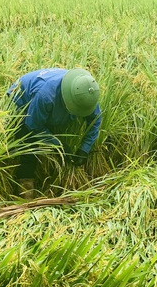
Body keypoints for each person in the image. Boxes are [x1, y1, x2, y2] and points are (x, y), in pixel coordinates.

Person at [6, 68, 101, 199]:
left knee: (48, 127)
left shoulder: (86, 94)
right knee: (29, 146)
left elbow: (95, 120)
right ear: (68, 101)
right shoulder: (46, 96)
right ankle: (25, 189)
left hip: (46, 105)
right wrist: (59, 145)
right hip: (23, 99)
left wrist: (84, 149)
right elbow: (33, 124)